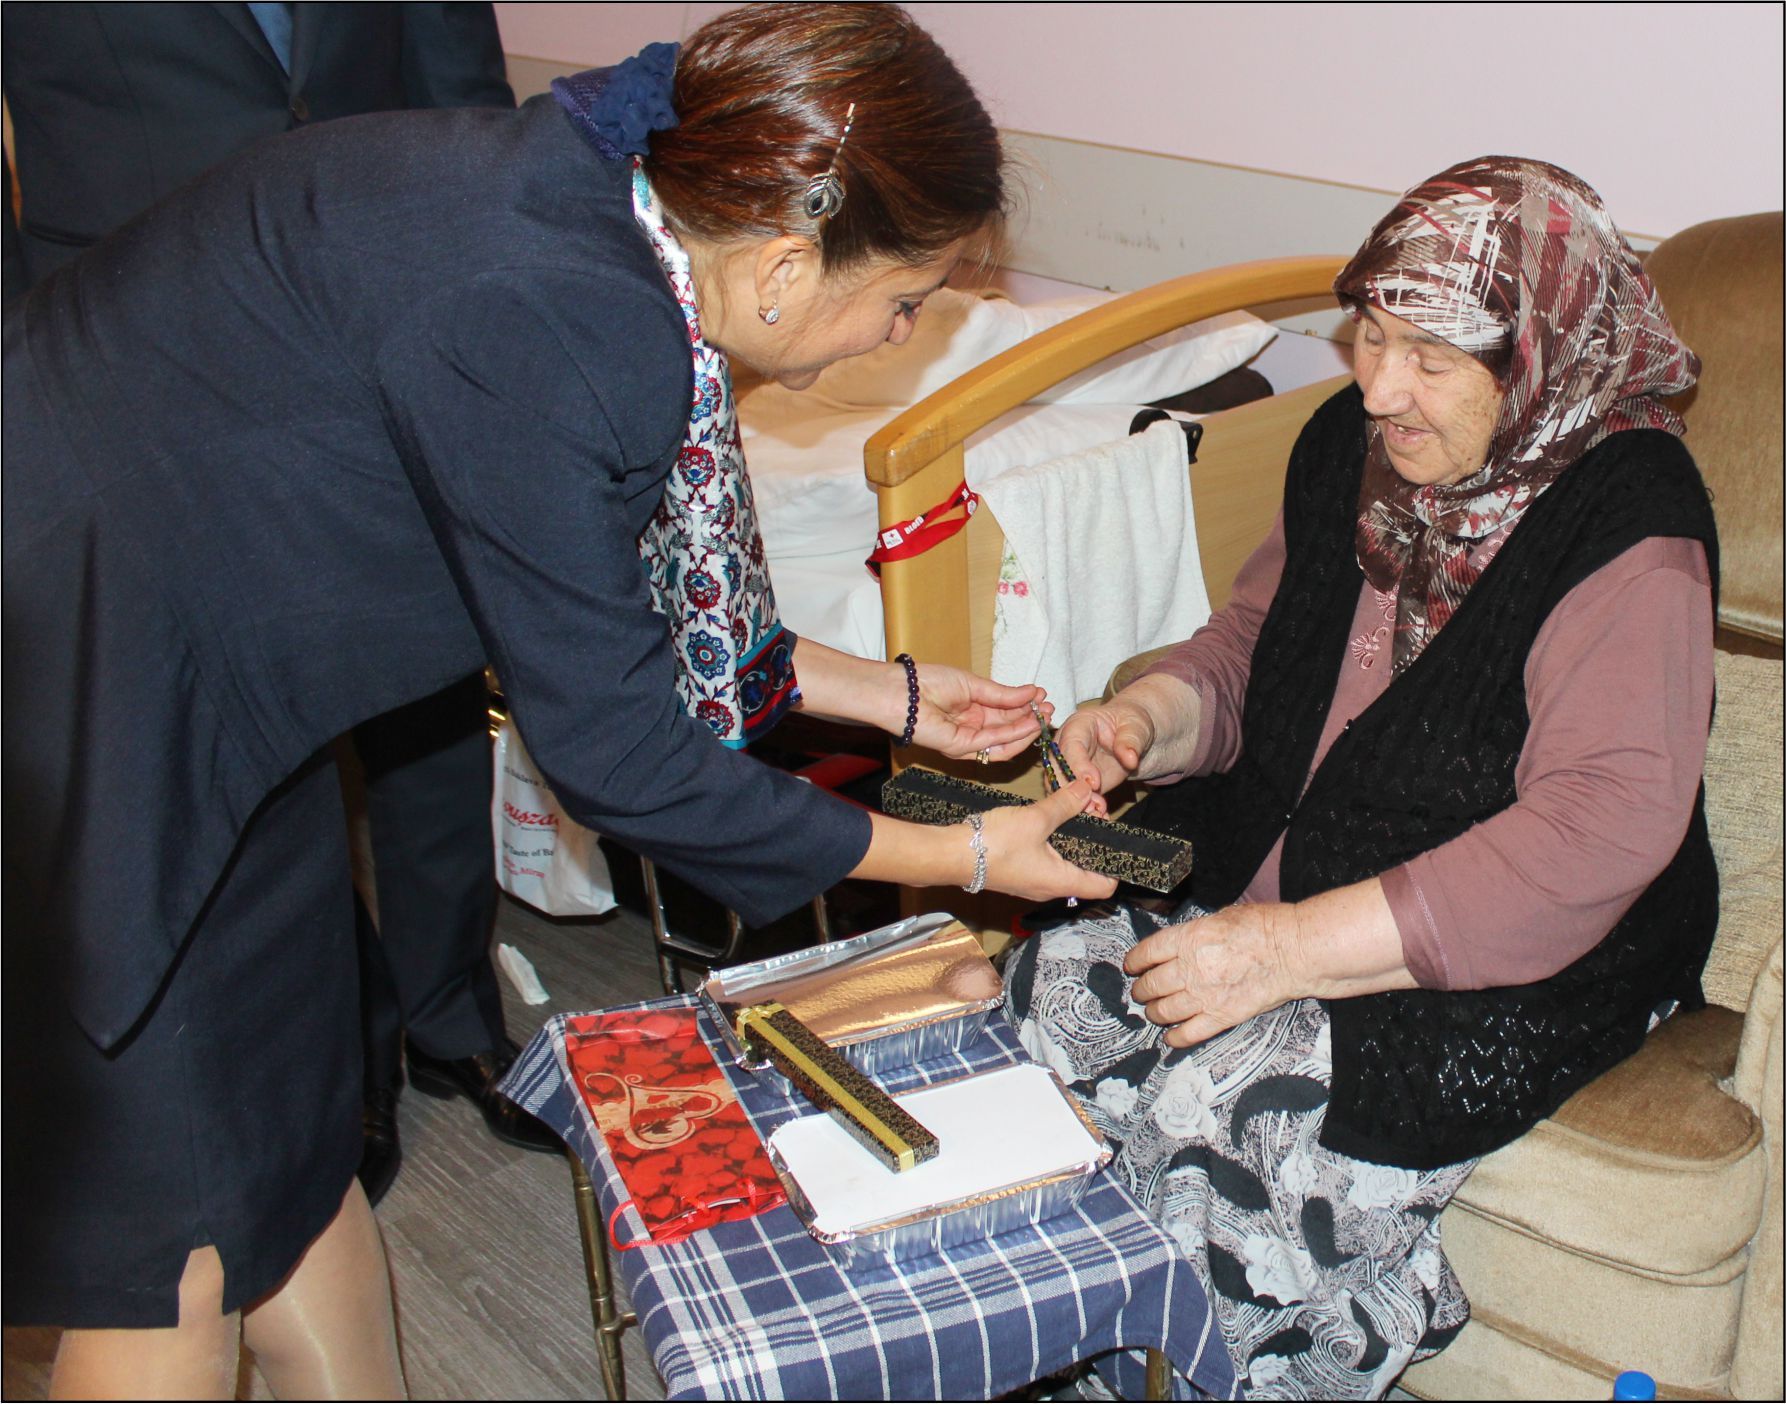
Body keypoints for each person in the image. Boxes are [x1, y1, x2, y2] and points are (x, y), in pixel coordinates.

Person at [1, 5, 1115, 1397]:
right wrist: (967, 854)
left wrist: (889, 700)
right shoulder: (562, 310)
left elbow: (593, 581)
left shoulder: (616, 187)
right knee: (171, 1251)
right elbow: (621, 752)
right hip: (74, 688)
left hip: (226, 698)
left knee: (286, 1153)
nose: (895, 337)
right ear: (782, 265)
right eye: (905, 303)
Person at [1010, 156, 1717, 1400]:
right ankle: (1051, 1356)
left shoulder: (1628, 521)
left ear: (1535, 358)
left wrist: (1283, 951)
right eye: (1371, 338)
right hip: (1291, 868)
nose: (1381, 387)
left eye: (1431, 359)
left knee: (1232, 1106)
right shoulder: (1352, 444)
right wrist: (1151, 718)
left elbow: (1601, 828)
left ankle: (1317, 1336)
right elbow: (1257, 643)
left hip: (1515, 938)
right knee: (1049, 989)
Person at [0, 0, 557, 1206]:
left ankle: (449, 1015)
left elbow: (457, 82)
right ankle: (331, 1056)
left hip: (374, 303)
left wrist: (489, 277)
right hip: (126, 330)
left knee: (425, 681)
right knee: (234, 717)